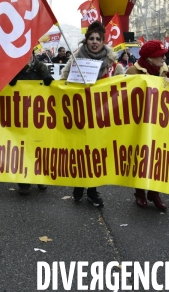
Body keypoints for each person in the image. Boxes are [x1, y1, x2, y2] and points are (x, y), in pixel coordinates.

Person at [61, 21, 124, 208]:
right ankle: (79, 184)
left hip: (102, 118)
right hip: (80, 115)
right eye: (91, 39)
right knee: (81, 153)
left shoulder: (114, 65)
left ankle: (92, 190)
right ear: (86, 41)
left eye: (98, 39)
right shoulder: (74, 60)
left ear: (103, 42)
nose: (94, 42)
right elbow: (63, 83)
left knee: (96, 155)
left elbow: (123, 86)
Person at [126, 40, 169, 211]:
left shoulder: (165, 70)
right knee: (141, 156)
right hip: (139, 120)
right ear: (149, 58)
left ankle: (154, 192)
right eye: (160, 54)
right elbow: (125, 97)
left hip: (159, 120)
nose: (164, 57)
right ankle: (140, 191)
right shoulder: (133, 71)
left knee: (158, 157)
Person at [9, 51, 54, 195]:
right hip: (20, 115)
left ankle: (40, 178)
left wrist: (49, 80)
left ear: (33, 54)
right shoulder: (14, 69)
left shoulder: (40, 67)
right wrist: (9, 82)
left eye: (29, 53)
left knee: (39, 145)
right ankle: (24, 183)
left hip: (38, 115)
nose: (26, 57)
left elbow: (52, 85)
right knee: (22, 148)